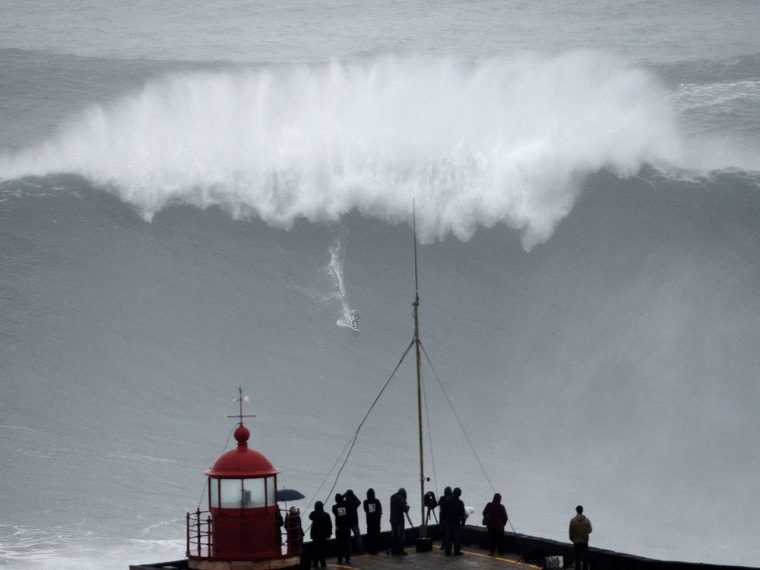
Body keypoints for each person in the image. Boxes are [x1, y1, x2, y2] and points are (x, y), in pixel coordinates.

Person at [309, 501, 332, 568]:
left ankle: (315, 563)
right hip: (323, 535)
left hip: (315, 536)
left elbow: (310, 517)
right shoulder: (326, 515)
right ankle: (323, 562)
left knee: (315, 550)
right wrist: (329, 533)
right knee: (323, 549)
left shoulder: (314, 514)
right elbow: (329, 525)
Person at [443, 487, 466, 556]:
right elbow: (462, 514)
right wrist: (463, 524)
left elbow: (444, 511)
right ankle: (456, 551)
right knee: (456, 538)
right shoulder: (460, 503)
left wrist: (444, 520)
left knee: (448, 537)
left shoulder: (448, 501)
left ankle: (447, 551)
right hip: (456, 522)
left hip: (448, 521)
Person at [569, 505, 592, 570]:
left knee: (577, 558)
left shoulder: (573, 520)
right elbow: (590, 530)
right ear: (582, 511)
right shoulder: (587, 520)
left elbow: (571, 531)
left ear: (576, 511)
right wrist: (584, 532)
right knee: (585, 558)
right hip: (584, 541)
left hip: (576, 541)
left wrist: (572, 539)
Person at [389, 487, 410, 555]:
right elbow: (405, 509)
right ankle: (400, 551)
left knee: (394, 535)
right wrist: (407, 507)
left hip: (392, 519)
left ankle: (393, 550)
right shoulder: (402, 499)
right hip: (399, 520)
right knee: (400, 536)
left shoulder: (392, 497)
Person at [332, 493, 351, 564]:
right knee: (347, 544)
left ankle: (340, 559)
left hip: (339, 529)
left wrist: (341, 498)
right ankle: (347, 558)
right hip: (346, 527)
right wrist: (343, 497)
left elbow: (338, 501)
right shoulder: (346, 506)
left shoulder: (335, 507)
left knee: (339, 544)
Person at [363, 488, 383, 555]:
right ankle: (376, 550)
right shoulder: (377, 501)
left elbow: (366, 510)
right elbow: (380, 511)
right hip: (377, 521)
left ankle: (370, 550)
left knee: (370, 536)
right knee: (376, 535)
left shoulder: (365, 502)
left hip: (369, 521)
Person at [344, 489, 364, 554]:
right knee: (358, 536)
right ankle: (361, 550)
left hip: (347, 522)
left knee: (347, 538)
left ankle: (349, 552)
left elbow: (338, 500)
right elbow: (359, 501)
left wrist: (343, 495)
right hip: (354, 522)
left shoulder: (345, 503)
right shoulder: (354, 503)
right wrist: (353, 495)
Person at [438, 486, 453, 551]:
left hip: (442, 517)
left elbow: (438, 503)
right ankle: (449, 546)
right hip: (450, 518)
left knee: (443, 532)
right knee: (449, 533)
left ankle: (443, 545)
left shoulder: (442, 498)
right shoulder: (452, 498)